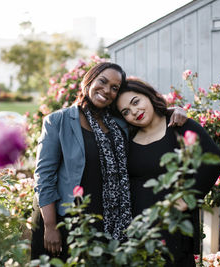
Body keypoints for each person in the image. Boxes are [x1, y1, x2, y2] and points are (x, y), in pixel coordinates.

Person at [31, 62, 188, 260]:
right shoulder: (58, 121)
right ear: (89, 80)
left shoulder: (118, 123)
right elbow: (44, 177)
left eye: (114, 88)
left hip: (109, 224)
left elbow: (147, 116)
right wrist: (50, 226)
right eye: (102, 82)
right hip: (68, 224)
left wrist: (173, 110)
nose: (106, 91)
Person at [115, 77, 220, 267]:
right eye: (126, 111)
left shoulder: (180, 126)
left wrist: (187, 198)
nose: (134, 112)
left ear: (148, 96)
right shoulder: (127, 138)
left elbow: (214, 160)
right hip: (137, 233)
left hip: (174, 229)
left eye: (136, 102)